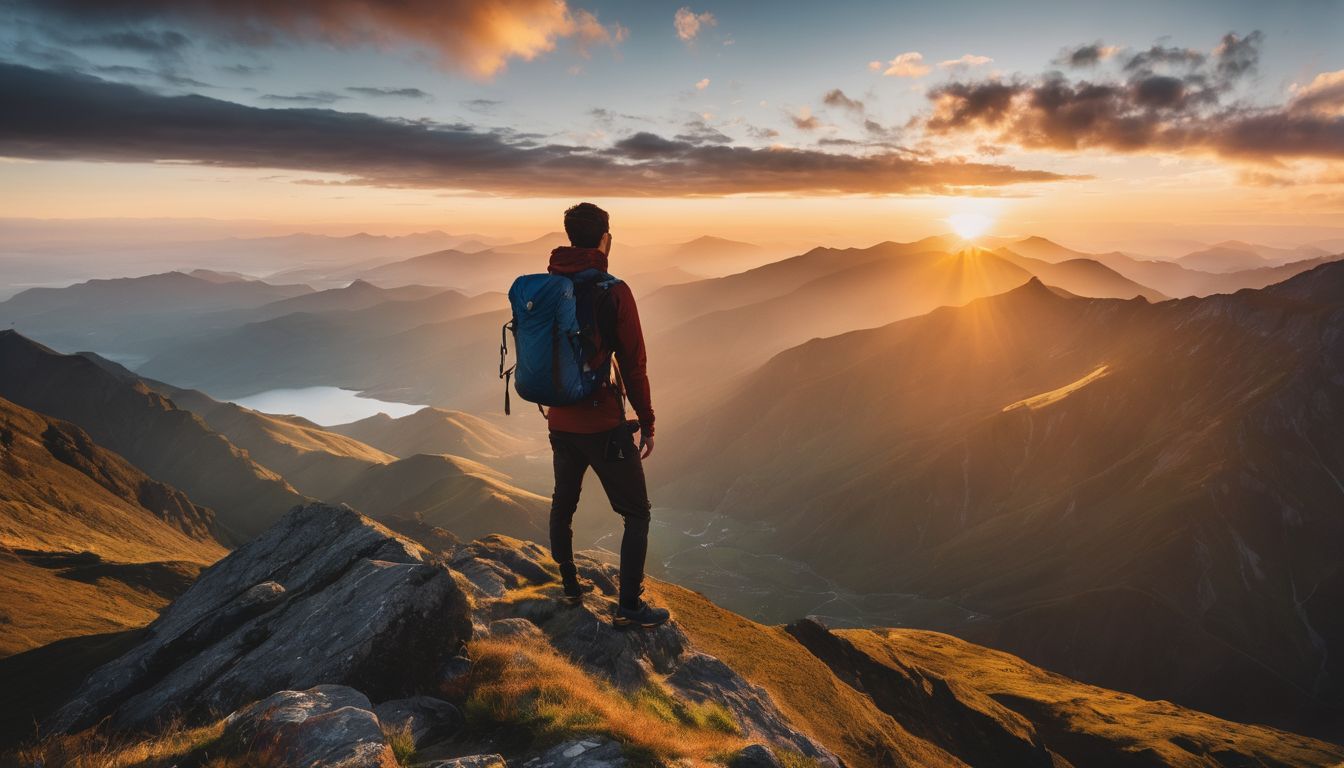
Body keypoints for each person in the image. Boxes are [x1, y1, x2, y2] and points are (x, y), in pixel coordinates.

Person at [546, 202, 669, 628]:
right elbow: (634, 365)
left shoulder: (546, 286)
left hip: (559, 421)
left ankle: (568, 589)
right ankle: (630, 609)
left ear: (568, 236)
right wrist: (647, 423)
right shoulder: (613, 290)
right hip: (602, 423)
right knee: (637, 513)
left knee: (564, 502)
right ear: (604, 239)